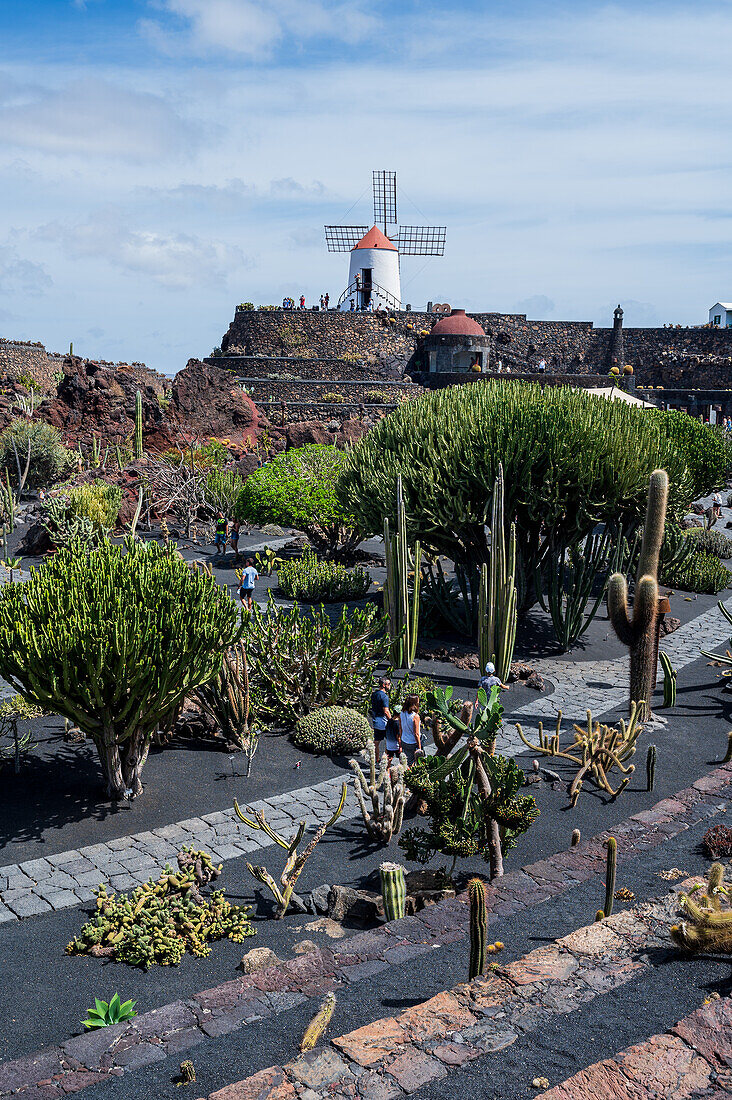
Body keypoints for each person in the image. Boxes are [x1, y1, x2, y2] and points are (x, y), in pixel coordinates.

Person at [369, 677, 392, 763]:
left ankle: (376, 760)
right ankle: (385, 759)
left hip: (376, 721)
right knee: (391, 741)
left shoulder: (374, 694)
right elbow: (386, 711)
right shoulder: (384, 697)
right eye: (388, 684)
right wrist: (391, 721)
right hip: (383, 721)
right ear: (383, 685)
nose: (390, 686)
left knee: (376, 742)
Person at [398, 694, 422, 766]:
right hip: (412, 742)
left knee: (407, 761)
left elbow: (400, 728)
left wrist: (401, 741)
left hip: (404, 740)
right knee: (413, 763)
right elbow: (416, 734)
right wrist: (419, 747)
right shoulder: (415, 716)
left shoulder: (401, 713)